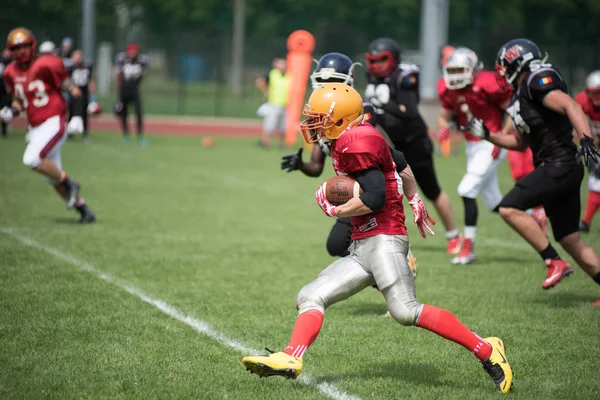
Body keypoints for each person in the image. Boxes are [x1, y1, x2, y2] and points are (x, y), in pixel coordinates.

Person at [242, 84, 513, 394]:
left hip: (385, 238)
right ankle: (291, 358)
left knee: (405, 310)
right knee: (309, 296)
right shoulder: (355, 136)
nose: (314, 124)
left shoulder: (356, 141)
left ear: (340, 118)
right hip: (363, 244)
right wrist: (415, 199)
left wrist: (337, 208)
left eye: (319, 118)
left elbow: (375, 197)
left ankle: (487, 349)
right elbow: (398, 158)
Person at [464, 38, 600, 300]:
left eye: (504, 67)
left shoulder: (536, 80)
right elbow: (519, 142)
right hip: (558, 166)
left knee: (508, 207)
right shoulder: (519, 95)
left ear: (517, 62)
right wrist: (488, 135)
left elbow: (571, 105)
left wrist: (585, 139)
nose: (501, 74)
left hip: (559, 163)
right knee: (569, 237)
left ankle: (553, 262)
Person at [281, 52, 417, 275]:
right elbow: (316, 167)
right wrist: (301, 165)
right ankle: (380, 274)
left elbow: (388, 152)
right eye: (323, 81)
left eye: (332, 81)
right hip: (354, 191)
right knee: (336, 245)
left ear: (347, 81)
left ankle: (398, 269)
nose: (327, 86)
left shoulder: (356, 112)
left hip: (373, 188)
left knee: (372, 247)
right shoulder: (322, 116)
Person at [364, 37, 460, 255]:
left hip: (414, 141)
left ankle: (454, 235)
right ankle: (384, 237)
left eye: (382, 59)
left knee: (431, 190)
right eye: (373, 60)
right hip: (390, 144)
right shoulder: (372, 77)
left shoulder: (405, 76)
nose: (377, 65)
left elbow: (409, 111)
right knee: (384, 191)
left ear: (394, 58)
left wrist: (381, 104)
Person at [1, 27, 96, 223]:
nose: (21, 51)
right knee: (51, 175)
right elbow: (19, 100)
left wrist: (77, 115)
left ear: (32, 45)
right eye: (16, 47)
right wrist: (12, 111)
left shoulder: (46, 64)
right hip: (35, 126)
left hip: (53, 120)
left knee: (31, 159)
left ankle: (71, 184)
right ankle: (84, 210)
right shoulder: (10, 71)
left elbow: (72, 89)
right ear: (11, 50)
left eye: (24, 46)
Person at [436, 47, 510, 264]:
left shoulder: (487, 83)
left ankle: (468, 248)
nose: (456, 75)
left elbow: (513, 111)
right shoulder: (448, 89)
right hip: (472, 146)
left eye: (461, 70)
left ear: (473, 69)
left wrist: (502, 138)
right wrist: (443, 127)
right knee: (496, 205)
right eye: (453, 70)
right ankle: (535, 214)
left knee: (466, 189)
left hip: (491, 143)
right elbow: (443, 116)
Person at [575, 70, 600, 233]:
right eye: (593, 94)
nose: (596, 99)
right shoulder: (582, 102)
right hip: (596, 148)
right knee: (595, 181)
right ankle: (585, 222)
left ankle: (585, 222)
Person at [114, 43, 148, 146]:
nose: (133, 53)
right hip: (124, 89)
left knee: (138, 113)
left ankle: (140, 136)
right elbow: (119, 75)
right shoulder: (122, 60)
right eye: (131, 51)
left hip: (134, 90)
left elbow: (141, 76)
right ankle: (126, 136)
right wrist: (119, 91)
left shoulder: (141, 61)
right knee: (123, 114)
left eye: (134, 51)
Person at [255, 57, 288, 148]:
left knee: (284, 127)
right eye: (280, 63)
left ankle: (282, 144)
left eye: (284, 63)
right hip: (273, 104)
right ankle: (265, 143)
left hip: (285, 105)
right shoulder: (271, 74)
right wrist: (266, 91)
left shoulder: (289, 75)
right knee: (269, 125)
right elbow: (259, 82)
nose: (283, 65)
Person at [66, 50, 97, 140]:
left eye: (79, 56)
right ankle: (69, 133)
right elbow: (66, 80)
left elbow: (91, 81)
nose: (78, 58)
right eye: (76, 56)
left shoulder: (87, 66)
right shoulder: (70, 67)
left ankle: (85, 133)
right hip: (72, 91)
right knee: (71, 112)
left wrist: (93, 96)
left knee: (84, 113)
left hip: (84, 91)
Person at [0, 48, 12, 138]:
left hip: (5, 91)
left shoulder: (12, 63)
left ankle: (4, 131)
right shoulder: (2, 62)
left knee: (5, 109)